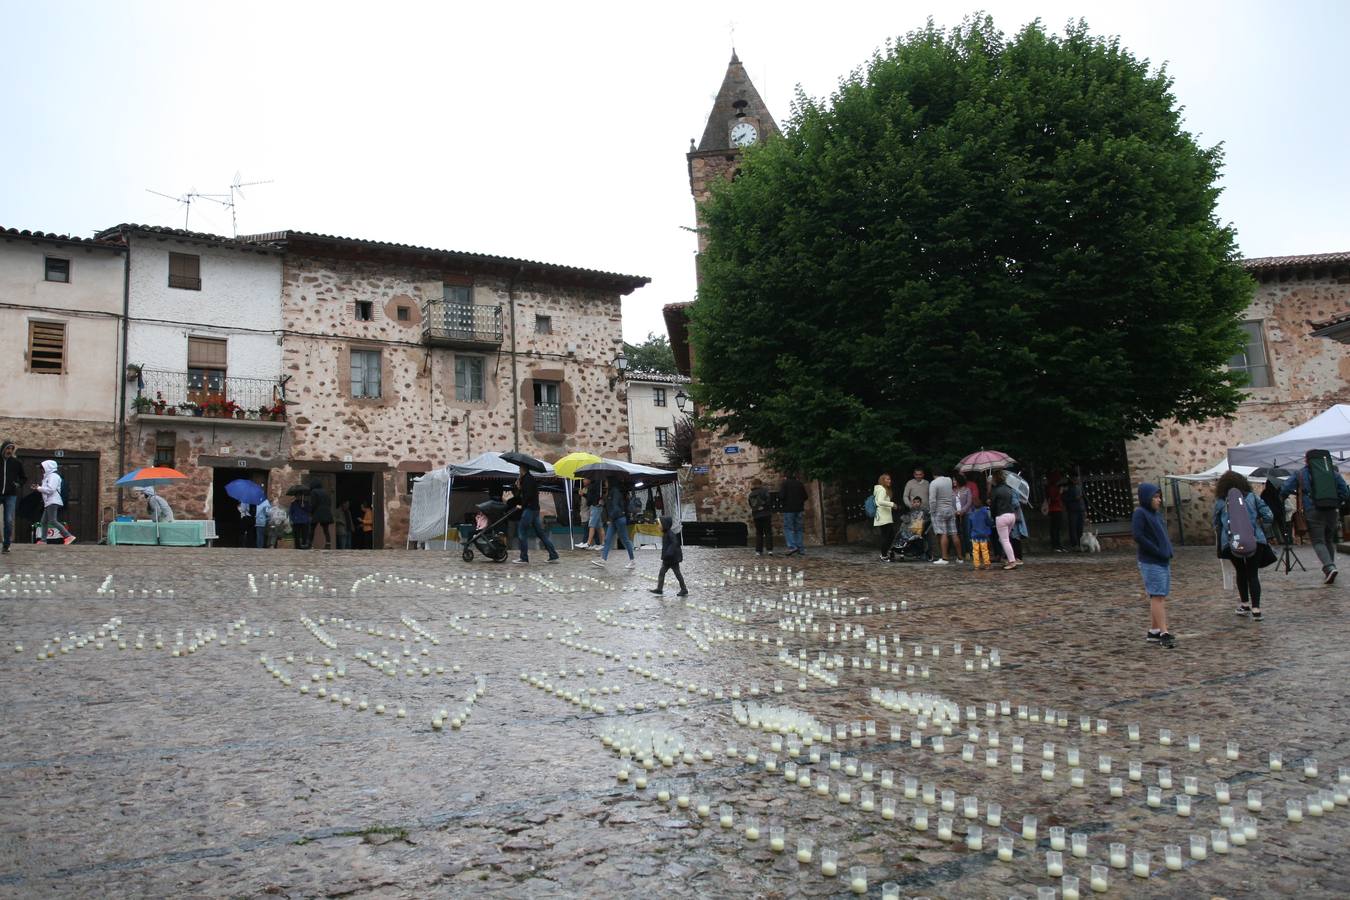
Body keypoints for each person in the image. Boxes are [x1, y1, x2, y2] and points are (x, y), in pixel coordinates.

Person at [1280, 449, 1350, 584]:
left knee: (1318, 541)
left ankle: (1330, 567)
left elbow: (1285, 488)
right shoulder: (1333, 473)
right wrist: (1337, 502)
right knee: (1329, 540)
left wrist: (1289, 495)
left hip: (1313, 509)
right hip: (1331, 510)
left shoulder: (1301, 473)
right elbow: (1345, 492)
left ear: (1307, 460)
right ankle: (1330, 567)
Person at [1213, 471, 1275, 620]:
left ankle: (1245, 603)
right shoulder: (1252, 497)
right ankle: (1256, 609)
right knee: (1253, 574)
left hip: (1232, 542)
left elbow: (1215, 523)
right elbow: (1269, 516)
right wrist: (1260, 528)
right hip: (1255, 540)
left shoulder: (1221, 501)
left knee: (1241, 572)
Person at [1132, 483, 1176, 648]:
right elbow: (1138, 535)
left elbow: (1163, 536)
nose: (1158, 500)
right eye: (1155, 497)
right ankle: (1164, 632)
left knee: (1159, 595)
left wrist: (1167, 551)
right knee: (1157, 595)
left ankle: (1154, 631)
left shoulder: (1157, 515)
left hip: (1163, 559)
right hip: (1150, 561)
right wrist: (1156, 550)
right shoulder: (1140, 514)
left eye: (1159, 497)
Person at [512, 465, 559, 564]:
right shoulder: (527, 479)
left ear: (523, 469)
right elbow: (527, 494)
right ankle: (553, 554)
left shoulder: (527, 479)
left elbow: (528, 496)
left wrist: (522, 505)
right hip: (534, 509)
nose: (519, 470)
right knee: (540, 533)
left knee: (522, 531)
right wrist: (519, 487)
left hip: (529, 509)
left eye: (520, 469)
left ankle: (524, 558)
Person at [592, 477, 636, 569]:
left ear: (611, 482)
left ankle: (632, 560)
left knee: (625, 540)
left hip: (619, 519)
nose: (605, 483)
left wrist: (610, 517)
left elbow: (615, 507)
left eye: (606, 481)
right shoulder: (610, 492)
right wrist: (603, 503)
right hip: (614, 520)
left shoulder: (615, 491)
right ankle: (603, 560)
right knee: (607, 539)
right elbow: (612, 506)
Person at [35, 460, 75, 545]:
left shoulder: (53, 476)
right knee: (44, 521)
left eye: (43, 468)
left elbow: (51, 489)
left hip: (53, 501)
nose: (42, 470)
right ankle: (43, 540)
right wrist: (38, 488)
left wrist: (39, 488)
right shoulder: (48, 477)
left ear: (48, 468)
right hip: (49, 502)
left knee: (52, 520)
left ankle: (68, 536)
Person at [648, 516, 688, 596]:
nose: (658, 526)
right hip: (667, 559)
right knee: (662, 572)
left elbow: (674, 544)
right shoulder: (665, 533)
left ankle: (684, 589)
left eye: (659, 524)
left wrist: (668, 553)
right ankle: (659, 589)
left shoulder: (670, 534)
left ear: (664, 525)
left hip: (672, 559)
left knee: (677, 574)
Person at [929, 470, 962, 564]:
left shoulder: (934, 483)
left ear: (933, 474)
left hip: (939, 510)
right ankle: (960, 557)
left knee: (943, 533)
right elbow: (952, 495)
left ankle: (944, 558)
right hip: (950, 510)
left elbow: (932, 499)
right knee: (954, 533)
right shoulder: (948, 480)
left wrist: (932, 511)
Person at [989, 470, 1019, 569]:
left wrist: (993, 517)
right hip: (1011, 516)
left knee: (1004, 540)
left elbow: (993, 506)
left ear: (995, 478)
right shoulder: (1008, 488)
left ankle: (1012, 561)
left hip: (1001, 516)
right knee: (1003, 539)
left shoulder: (995, 490)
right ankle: (1009, 558)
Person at [1, 440, 27, 553]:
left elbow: (23, 478)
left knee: (9, 520)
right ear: (3, 449)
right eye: (7, 448)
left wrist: (18, 484)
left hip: (10, 495)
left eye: (11, 449)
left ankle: (6, 545)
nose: (9, 451)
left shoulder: (16, 463)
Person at [779, 473, 807, 556]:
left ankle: (792, 546)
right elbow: (805, 496)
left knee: (788, 528)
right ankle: (800, 548)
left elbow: (781, 496)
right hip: (799, 509)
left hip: (788, 509)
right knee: (799, 529)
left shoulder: (785, 484)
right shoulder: (800, 483)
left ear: (786, 477)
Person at [872, 474, 897, 561]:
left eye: (890, 479)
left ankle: (885, 553)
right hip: (883, 517)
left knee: (889, 536)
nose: (889, 481)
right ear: (882, 480)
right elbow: (880, 501)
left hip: (885, 516)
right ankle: (883, 555)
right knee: (887, 536)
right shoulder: (882, 489)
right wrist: (892, 504)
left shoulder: (881, 489)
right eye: (887, 479)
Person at [749, 478, 774, 555]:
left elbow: (750, 504)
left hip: (756, 515)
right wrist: (763, 507)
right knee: (768, 532)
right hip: (766, 513)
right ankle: (769, 550)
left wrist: (757, 508)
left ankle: (758, 551)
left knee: (759, 533)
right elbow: (769, 501)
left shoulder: (751, 494)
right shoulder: (764, 491)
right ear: (760, 484)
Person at [968, 495, 994, 569]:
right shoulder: (985, 512)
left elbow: (970, 526)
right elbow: (989, 522)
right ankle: (987, 564)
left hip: (974, 535)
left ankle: (976, 565)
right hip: (983, 534)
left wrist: (970, 534)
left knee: (975, 551)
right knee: (985, 550)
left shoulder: (971, 514)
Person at [579, 477, 604, 549]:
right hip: (595, 506)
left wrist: (584, 495)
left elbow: (591, 498)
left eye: (585, 479)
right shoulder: (594, 486)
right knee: (599, 526)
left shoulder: (594, 486)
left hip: (595, 506)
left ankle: (588, 543)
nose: (584, 481)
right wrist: (583, 495)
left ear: (589, 479)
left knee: (592, 525)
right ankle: (602, 544)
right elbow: (590, 497)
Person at [1063, 474, 1087, 551]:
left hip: (1080, 509)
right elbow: (1065, 499)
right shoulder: (1068, 488)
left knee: (1080, 528)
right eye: (1075, 479)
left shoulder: (1079, 487)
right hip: (1073, 510)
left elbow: (1082, 500)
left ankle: (1081, 544)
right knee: (1073, 527)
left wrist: (1084, 510)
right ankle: (1074, 544)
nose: (1077, 480)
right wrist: (1074, 498)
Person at [309, 478, 334, 550]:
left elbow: (313, 503)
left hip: (317, 513)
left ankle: (310, 544)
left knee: (312, 528)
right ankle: (328, 544)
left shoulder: (314, 491)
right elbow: (329, 502)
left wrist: (311, 512)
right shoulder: (325, 492)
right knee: (326, 529)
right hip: (326, 512)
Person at [1045, 471, 1067, 552]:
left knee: (1057, 528)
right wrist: (1060, 493)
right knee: (1055, 528)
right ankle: (1055, 545)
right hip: (1054, 509)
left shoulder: (1054, 487)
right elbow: (1053, 498)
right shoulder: (1052, 487)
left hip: (1057, 509)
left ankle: (1058, 544)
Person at [953, 472, 973, 561]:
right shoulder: (952, 491)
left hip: (966, 514)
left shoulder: (967, 490)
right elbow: (950, 502)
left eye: (955, 480)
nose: (953, 482)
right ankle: (960, 552)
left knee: (967, 533)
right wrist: (955, 511)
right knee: (957, 533)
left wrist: (962, 511)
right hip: (955, 514)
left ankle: (969, 552)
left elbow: (969, 502)